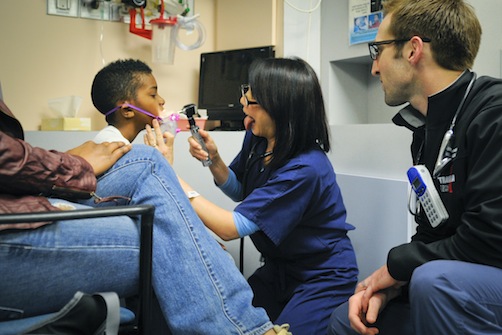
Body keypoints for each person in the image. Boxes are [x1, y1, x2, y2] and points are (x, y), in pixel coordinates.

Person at [0, 95, 291, 333]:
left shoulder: (300, 164)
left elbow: (237, 201)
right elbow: (235, 209)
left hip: (300, 271)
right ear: (127, 108)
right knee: (172, 239)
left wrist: (201, 169)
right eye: (153, 94)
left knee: (150, 168)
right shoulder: (256, 142)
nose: (162, 101)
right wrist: (70, 165)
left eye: (252, 100)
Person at [146, 57, 359, 335]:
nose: (244, 106)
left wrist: (168, 175)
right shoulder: (260, 137)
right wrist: (214, 161)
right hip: (277, 270)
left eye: (252, 101)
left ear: (280, 107)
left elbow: (232, 228)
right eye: (246, 96)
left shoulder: (305, 169)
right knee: (232, 320)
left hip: (321, 275)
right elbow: (241, 191)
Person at [328, 0, 502, 334]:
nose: (374, 68)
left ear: (412, 50)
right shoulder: (426, 130)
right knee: (347, 320)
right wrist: (392, 286)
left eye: (377, 50)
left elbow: (487, 242)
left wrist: (397, 267)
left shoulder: (492, 114)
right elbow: (434, 232)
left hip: (478, 276)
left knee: (434, 282)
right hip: (452, 279)